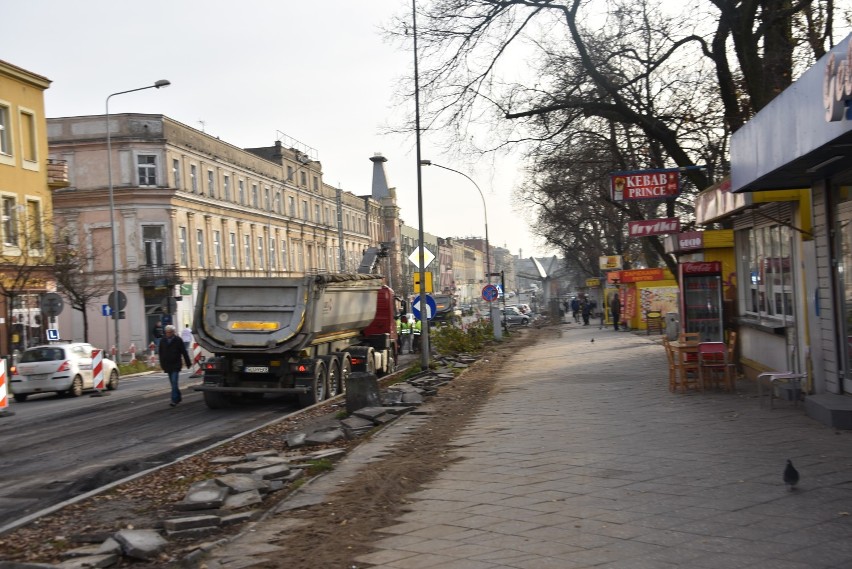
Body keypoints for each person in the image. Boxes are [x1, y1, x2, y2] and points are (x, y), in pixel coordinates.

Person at [158, 324, 191, 407]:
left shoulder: (178, 340)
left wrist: (188, 363)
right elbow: (161, 353)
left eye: (170, 332)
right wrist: (162, 364)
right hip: (167, 365)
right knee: (173, 384)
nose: (168, 334)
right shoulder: (163, 340)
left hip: (176, 364)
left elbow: (184, 352)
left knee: (174, 382)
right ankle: (178, 397)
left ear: (173, 332)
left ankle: (174, 400)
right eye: (167, 332)